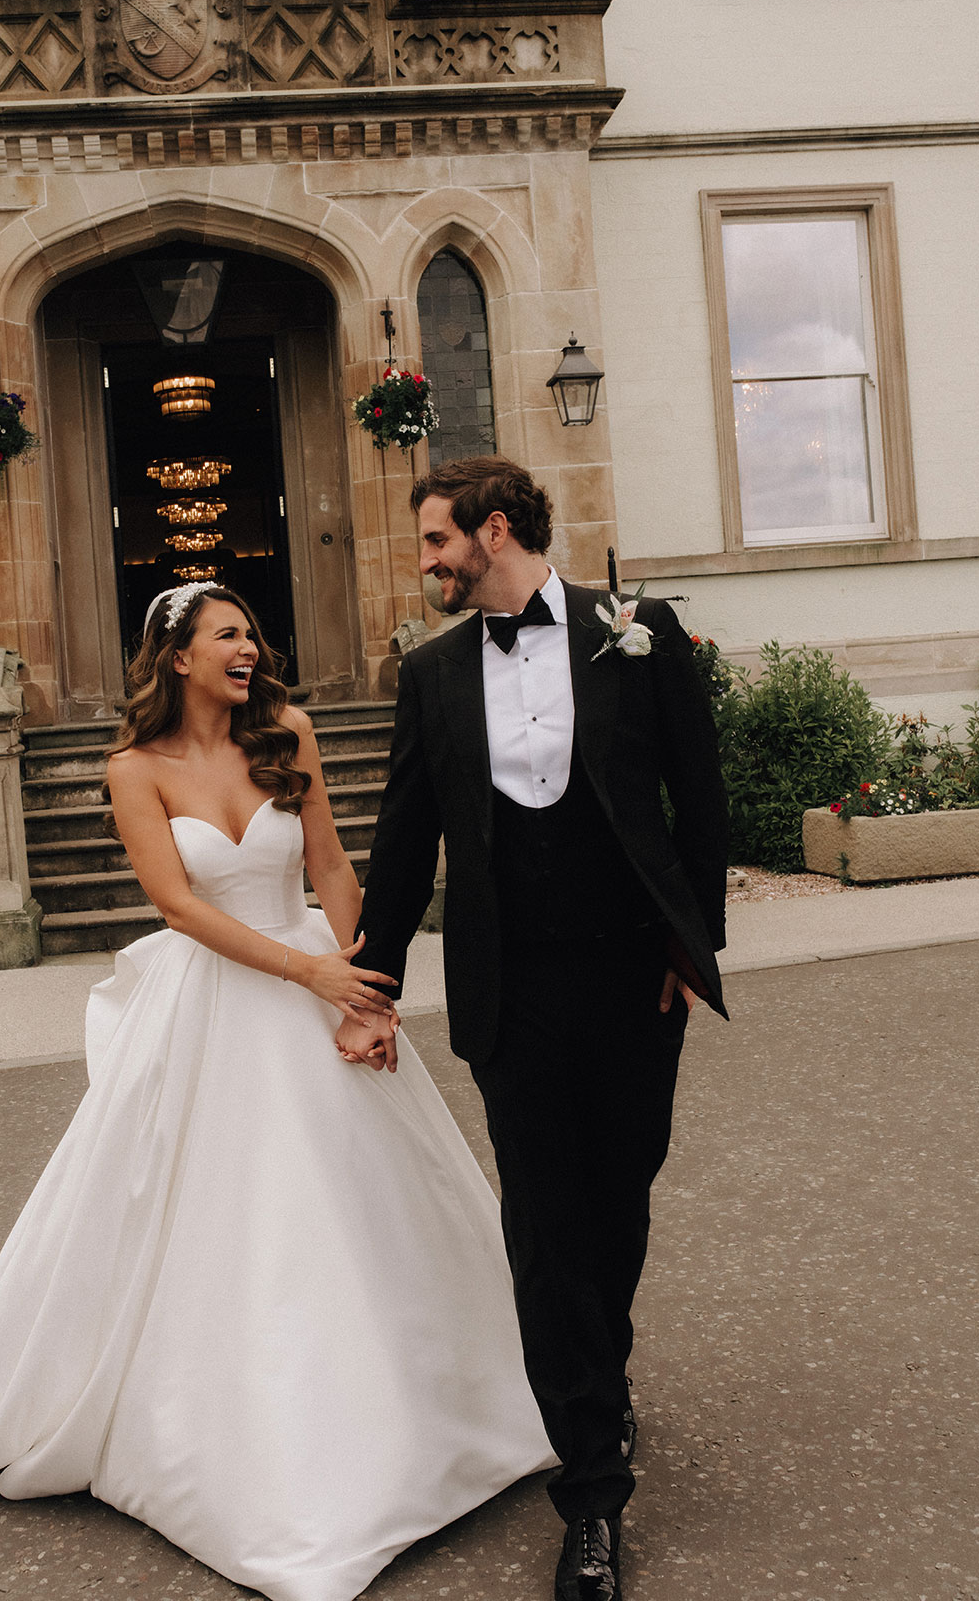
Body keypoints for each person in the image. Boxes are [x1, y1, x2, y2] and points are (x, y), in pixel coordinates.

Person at [0, 581, 555, 1601]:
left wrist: (364, 988)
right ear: (177, 657)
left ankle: (456, 1416)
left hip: (323, 982)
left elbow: (330, 866)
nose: (250, 649)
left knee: (370, 1207)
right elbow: (178, 905)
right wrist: (305, 975)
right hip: (220, 1003)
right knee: (223, 1220)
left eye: (253, 635)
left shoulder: (291, 735)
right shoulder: (131, 769)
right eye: (228, 635)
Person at [350, 458, 730, 1601]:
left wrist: (689, 948)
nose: (424, 562)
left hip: (633, 986)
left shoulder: (637, 632)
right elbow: (408, 839)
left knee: (618, 1204)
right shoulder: (429, 675)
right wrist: (370, 982)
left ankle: (594, 1380)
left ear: (494, 530)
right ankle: (593, 1495)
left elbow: (699, 799)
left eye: (434, 541)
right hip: (511, 995)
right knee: (545, 1228)